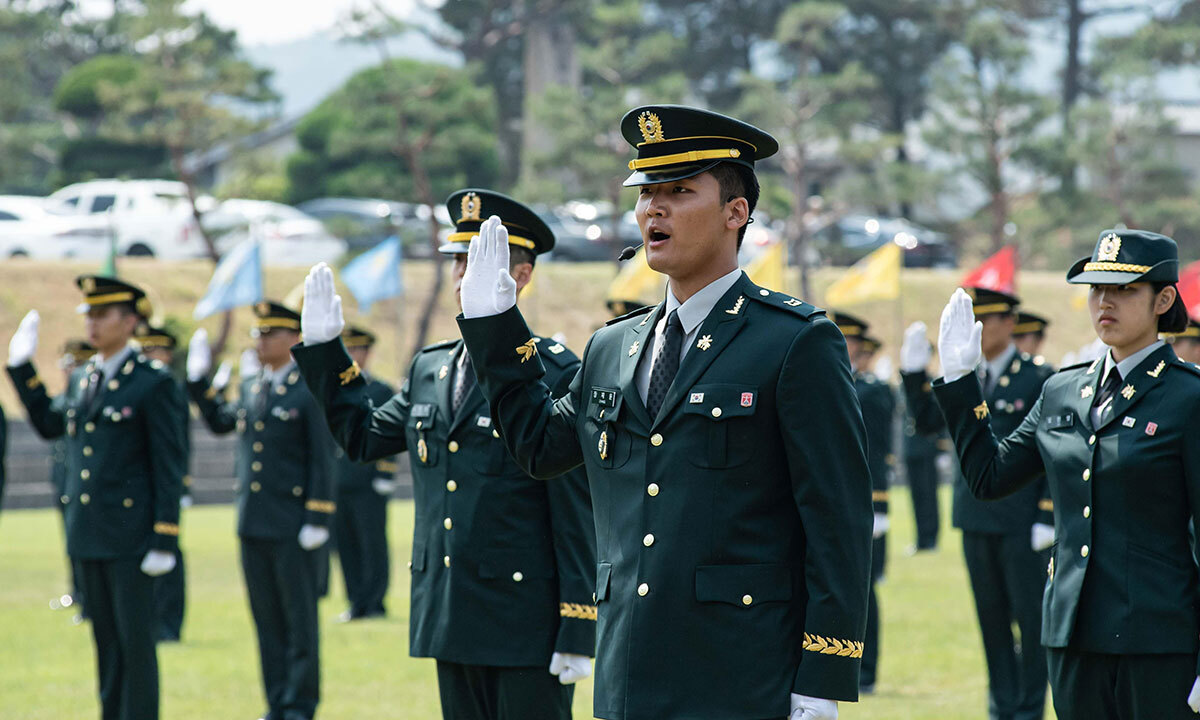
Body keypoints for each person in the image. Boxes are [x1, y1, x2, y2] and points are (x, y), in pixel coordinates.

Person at [310, 105, 871, 720]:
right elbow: (538, 446)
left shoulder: (793, 341)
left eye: (680, 192)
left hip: (742, 671)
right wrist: (494, 326)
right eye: (647, 193)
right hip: (629, 667)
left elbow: (836, 518)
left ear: (735, 212)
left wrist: (823, 674)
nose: (654, 209)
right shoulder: (612, 346)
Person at [294, 189, 597, 720]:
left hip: (524, 621)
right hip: (450, 612)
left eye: (477, 262)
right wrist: (326, 354)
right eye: (458, 261)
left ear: (521, 275)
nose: (462, 275)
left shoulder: (552, 372)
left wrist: (577, 621)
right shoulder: (430, 368)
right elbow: (362, 437)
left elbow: (573, 508)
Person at [931, 228, 1200, 720]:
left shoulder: (1189, 397)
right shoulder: (1063, 390)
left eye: (1124, 289)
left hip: (1157, 639)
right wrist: (960, 383)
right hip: (1073, 634)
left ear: (1163, 300)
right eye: (1097, 289)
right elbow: (990, 477)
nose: (1105, 302)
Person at [7, 275, 186, 720]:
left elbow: (168, 463)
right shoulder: (85, 378)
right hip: (89, 534)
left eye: (102, 314)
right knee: (106, 644)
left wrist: (165, 536)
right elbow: (51, 425)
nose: (92, 323)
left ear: (129, 322)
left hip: (131, 537)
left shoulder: (152, 383)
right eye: (89, 314)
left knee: (135, 646)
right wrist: (22, 370)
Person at [901, 287, 1055, 720]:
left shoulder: (1038, 376)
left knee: (1031, 619)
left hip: (1023, 520)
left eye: (987, 320)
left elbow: (1051, 450)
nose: (978, 330)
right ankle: (1001, 706)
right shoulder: (964, 374)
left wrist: (1047, 514)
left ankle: (1028, 708)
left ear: (1010, 322)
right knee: (991, 621)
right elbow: (927, 422)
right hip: (974, 515)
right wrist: (913, 375)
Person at [186, 302, 335, 720]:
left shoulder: (309, 389)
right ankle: (276, 700)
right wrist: (198, 384)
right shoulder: (253, 386)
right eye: (258, 333)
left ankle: (299, 704)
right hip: (254, 521)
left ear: (294, 339)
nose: (260, 341)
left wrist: (318, 516)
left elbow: (323, 459)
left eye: (270, 333)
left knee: (299, 622)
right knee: (267, 621)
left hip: (293, 523)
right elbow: (221, 422)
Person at [831, 315, 895, 696]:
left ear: (858, 346)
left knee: (863, 589)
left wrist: (880, 504)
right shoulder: (826, 380)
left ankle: (866, 670)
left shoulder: (872, 390)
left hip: (863, 500)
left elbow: (879, 451)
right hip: (828, 499)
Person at [331, 324, 398, 622]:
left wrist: (385, 473)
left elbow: (390, 433)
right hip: (339, 479)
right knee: (344, 544)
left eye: (355, 349)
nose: (350, 355)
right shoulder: (335, 389)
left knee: (371, 544)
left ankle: (375, 601)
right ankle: (356, 601)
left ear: (367, 353)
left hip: (368, 482)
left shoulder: (380, 390)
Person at [134, 323, 192, 643]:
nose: (148, 356)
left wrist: (184, 484)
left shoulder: (168, 386)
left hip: (168, 483)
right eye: (143, 349)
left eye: (153, 350)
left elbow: (179, 442)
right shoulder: (143, 384)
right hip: (144, 484)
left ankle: (170, 621)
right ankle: (153, 620)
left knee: (169, 551)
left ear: (167, 354)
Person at [49, 339, 95, 621]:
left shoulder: (89, 398)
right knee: (72, 543)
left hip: (86, 485)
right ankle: (77, 592)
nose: (68, 370)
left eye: (74, 364)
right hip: (65, 481)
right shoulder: (64, 399)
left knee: (88, 546)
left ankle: (89, 600)